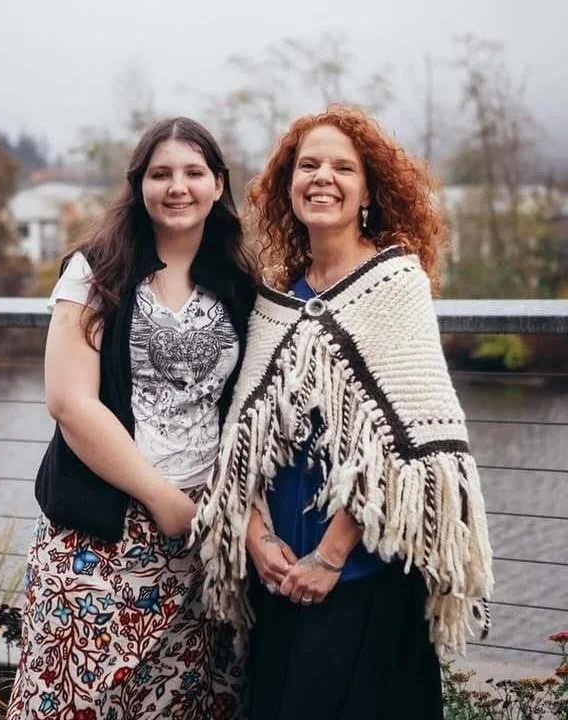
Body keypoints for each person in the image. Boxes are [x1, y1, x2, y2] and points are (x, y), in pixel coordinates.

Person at [194, 105, 494, 719]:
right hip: (277, 578)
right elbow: (242, 438)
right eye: (308, 165)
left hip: (361, 578)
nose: (322, 177)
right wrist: (255, 538)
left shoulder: (393, 284)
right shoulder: (274, 298)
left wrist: (329, 558)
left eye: (341, 167)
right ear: (289, 185)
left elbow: (411, 451)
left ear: (367, 191)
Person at [7, 117, 256, 720]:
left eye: (194, 172)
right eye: (160, 173)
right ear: (138, 185)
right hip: (103, 533)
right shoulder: (98, 271)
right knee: (72, 701)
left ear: (218, 185)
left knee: (184, 704)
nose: (178, 186)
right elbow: (69, 402)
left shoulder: (240, 282)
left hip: (203, 544)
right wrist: (159, 496)